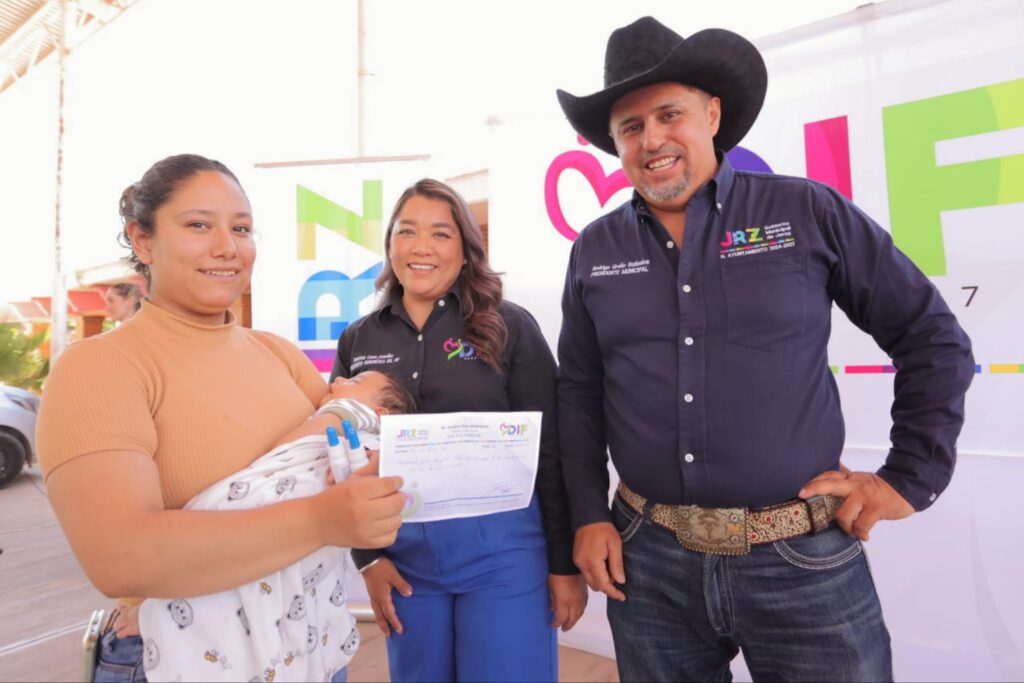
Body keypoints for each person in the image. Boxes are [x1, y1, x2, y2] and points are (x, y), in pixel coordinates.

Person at [554, 17, 974, 683]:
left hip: (802, 559)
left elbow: (932, 337)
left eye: (669, 114)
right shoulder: (594, 250)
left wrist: (907, 477)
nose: (652, 139)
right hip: (648, 563)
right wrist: (586, 513)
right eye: (631, 126)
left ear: (712, 114)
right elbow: (578, 392)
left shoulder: (806, 211)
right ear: (615, 143)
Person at [35, 154, 407, 683]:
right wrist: (321, 520)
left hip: (306, 651)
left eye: (241, 228)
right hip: (181, 659)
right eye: (198, 225)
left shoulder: (279, 354)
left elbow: (341, 457)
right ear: (143, 240)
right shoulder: (100, 368)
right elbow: (121, 557)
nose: (227, 247)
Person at [330, 178, 588, 682]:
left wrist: (564, 564)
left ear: (466, 250)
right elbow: (342, 453)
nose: (421, 247)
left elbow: (551, 451)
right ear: (390, 244)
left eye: (440, 234)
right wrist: (369, 560)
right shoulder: (359, 338)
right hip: (404, 558)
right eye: (407, 231)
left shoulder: (509, 327)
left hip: (504, 556)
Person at [136, 370, 416, 682]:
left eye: (353, 382)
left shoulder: (345, 415)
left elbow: (287, 448)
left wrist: (330, 416)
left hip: (288, 505)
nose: (337, 381)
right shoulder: (369, 439)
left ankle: (171, 610)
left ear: (379, 413)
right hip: (308, 534)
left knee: (229, 541)